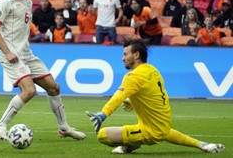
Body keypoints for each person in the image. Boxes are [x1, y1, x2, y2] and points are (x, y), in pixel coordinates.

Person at [0, 0, 86, 141]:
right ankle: (0, 125)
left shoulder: (27, 2)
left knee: (53, 87)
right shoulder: (4, 2)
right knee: (29, 90)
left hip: (26, 54)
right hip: (11, 55)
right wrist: (7, 52)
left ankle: (64, 127)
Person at [86, 38, 225, 154]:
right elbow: (150, 96)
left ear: (136, 55)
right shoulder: (153, 70)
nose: (122, 58)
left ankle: (134, 143)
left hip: (150, 131)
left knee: (103, 135)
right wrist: (132, 101)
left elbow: (118, 96)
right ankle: (202, 144)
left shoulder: (133, 76)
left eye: (125, 54)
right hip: (163, 124)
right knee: (162, 131)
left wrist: (103, 114)